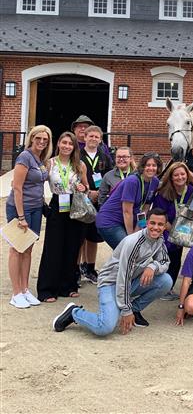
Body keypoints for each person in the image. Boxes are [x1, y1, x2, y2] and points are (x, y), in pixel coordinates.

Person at [52, 208, 171, 335]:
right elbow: (123, 277)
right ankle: (74, 312)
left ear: (165, 227)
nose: (156, 227)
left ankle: (134, 310)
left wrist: (153, 267)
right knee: (105, 327)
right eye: (152, 223)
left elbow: (165, 261)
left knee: (165, 281)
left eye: (160, 224)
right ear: (146, 223)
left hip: (128, 281)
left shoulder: (159, 239)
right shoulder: (134, 242)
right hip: (111, 282)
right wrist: (125, 310)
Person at [37, 132, 88, 303]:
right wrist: (45, 207)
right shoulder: (49, 163)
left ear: (74, 147)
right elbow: (37, 185)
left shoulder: (80, 165)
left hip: (75, 206)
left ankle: (68, 285)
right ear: (58, 144)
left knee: (72, 246)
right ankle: (47, 289)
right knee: (53, 247)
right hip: (57, 203)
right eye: (64, 142)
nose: (67, 146)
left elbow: (87, 187)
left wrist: (83, 188)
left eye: (70, 144)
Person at [6, 125, 52, 308]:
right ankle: (16, 292)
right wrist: (21, 216)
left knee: (28, 250)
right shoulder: (24, 157)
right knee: (16, 249)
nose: (41, 142)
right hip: (20, 209)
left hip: (36, 208)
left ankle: (25, 289)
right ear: (31, 138)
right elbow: (17, 187)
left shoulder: (41, 159)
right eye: (38, 138)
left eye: (45, 139)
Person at [96, 152, 163, 249]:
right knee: (129, 250)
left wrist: (138, 229)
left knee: (135, 250)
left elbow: (145, 209)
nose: (151, 168)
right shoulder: (133, 181)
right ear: (142, 166)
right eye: (148, 165)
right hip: (110, 221)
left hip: (126, 220)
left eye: (154, 165)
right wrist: (132, 237)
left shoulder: (155, 181)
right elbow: (127, 211)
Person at [151, 162, 193, 298]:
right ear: (171, 177)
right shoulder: (163, 193)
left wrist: (181, 233)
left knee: (176, 258)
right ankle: (160, 287)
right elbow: (159, 214)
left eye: (183, 174)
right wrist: (172, 231)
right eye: (176, 175)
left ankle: (168, 288)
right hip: (166, 229)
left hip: (183, 231)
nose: (180, 177)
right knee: (166, 256)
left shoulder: (192, 191)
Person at [78, 125, 112, 284]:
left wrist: (101, 194)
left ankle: (90, 268)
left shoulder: (105, 157)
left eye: (96, 137)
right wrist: (87, 192)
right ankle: (76, 269)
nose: (93, 139)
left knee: (92, 236)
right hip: (80, 201)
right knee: (79, 236)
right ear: (84, 137)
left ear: (100, 140)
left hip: (99, 200)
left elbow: (111, 177)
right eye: (90, 136)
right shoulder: (77, 155)